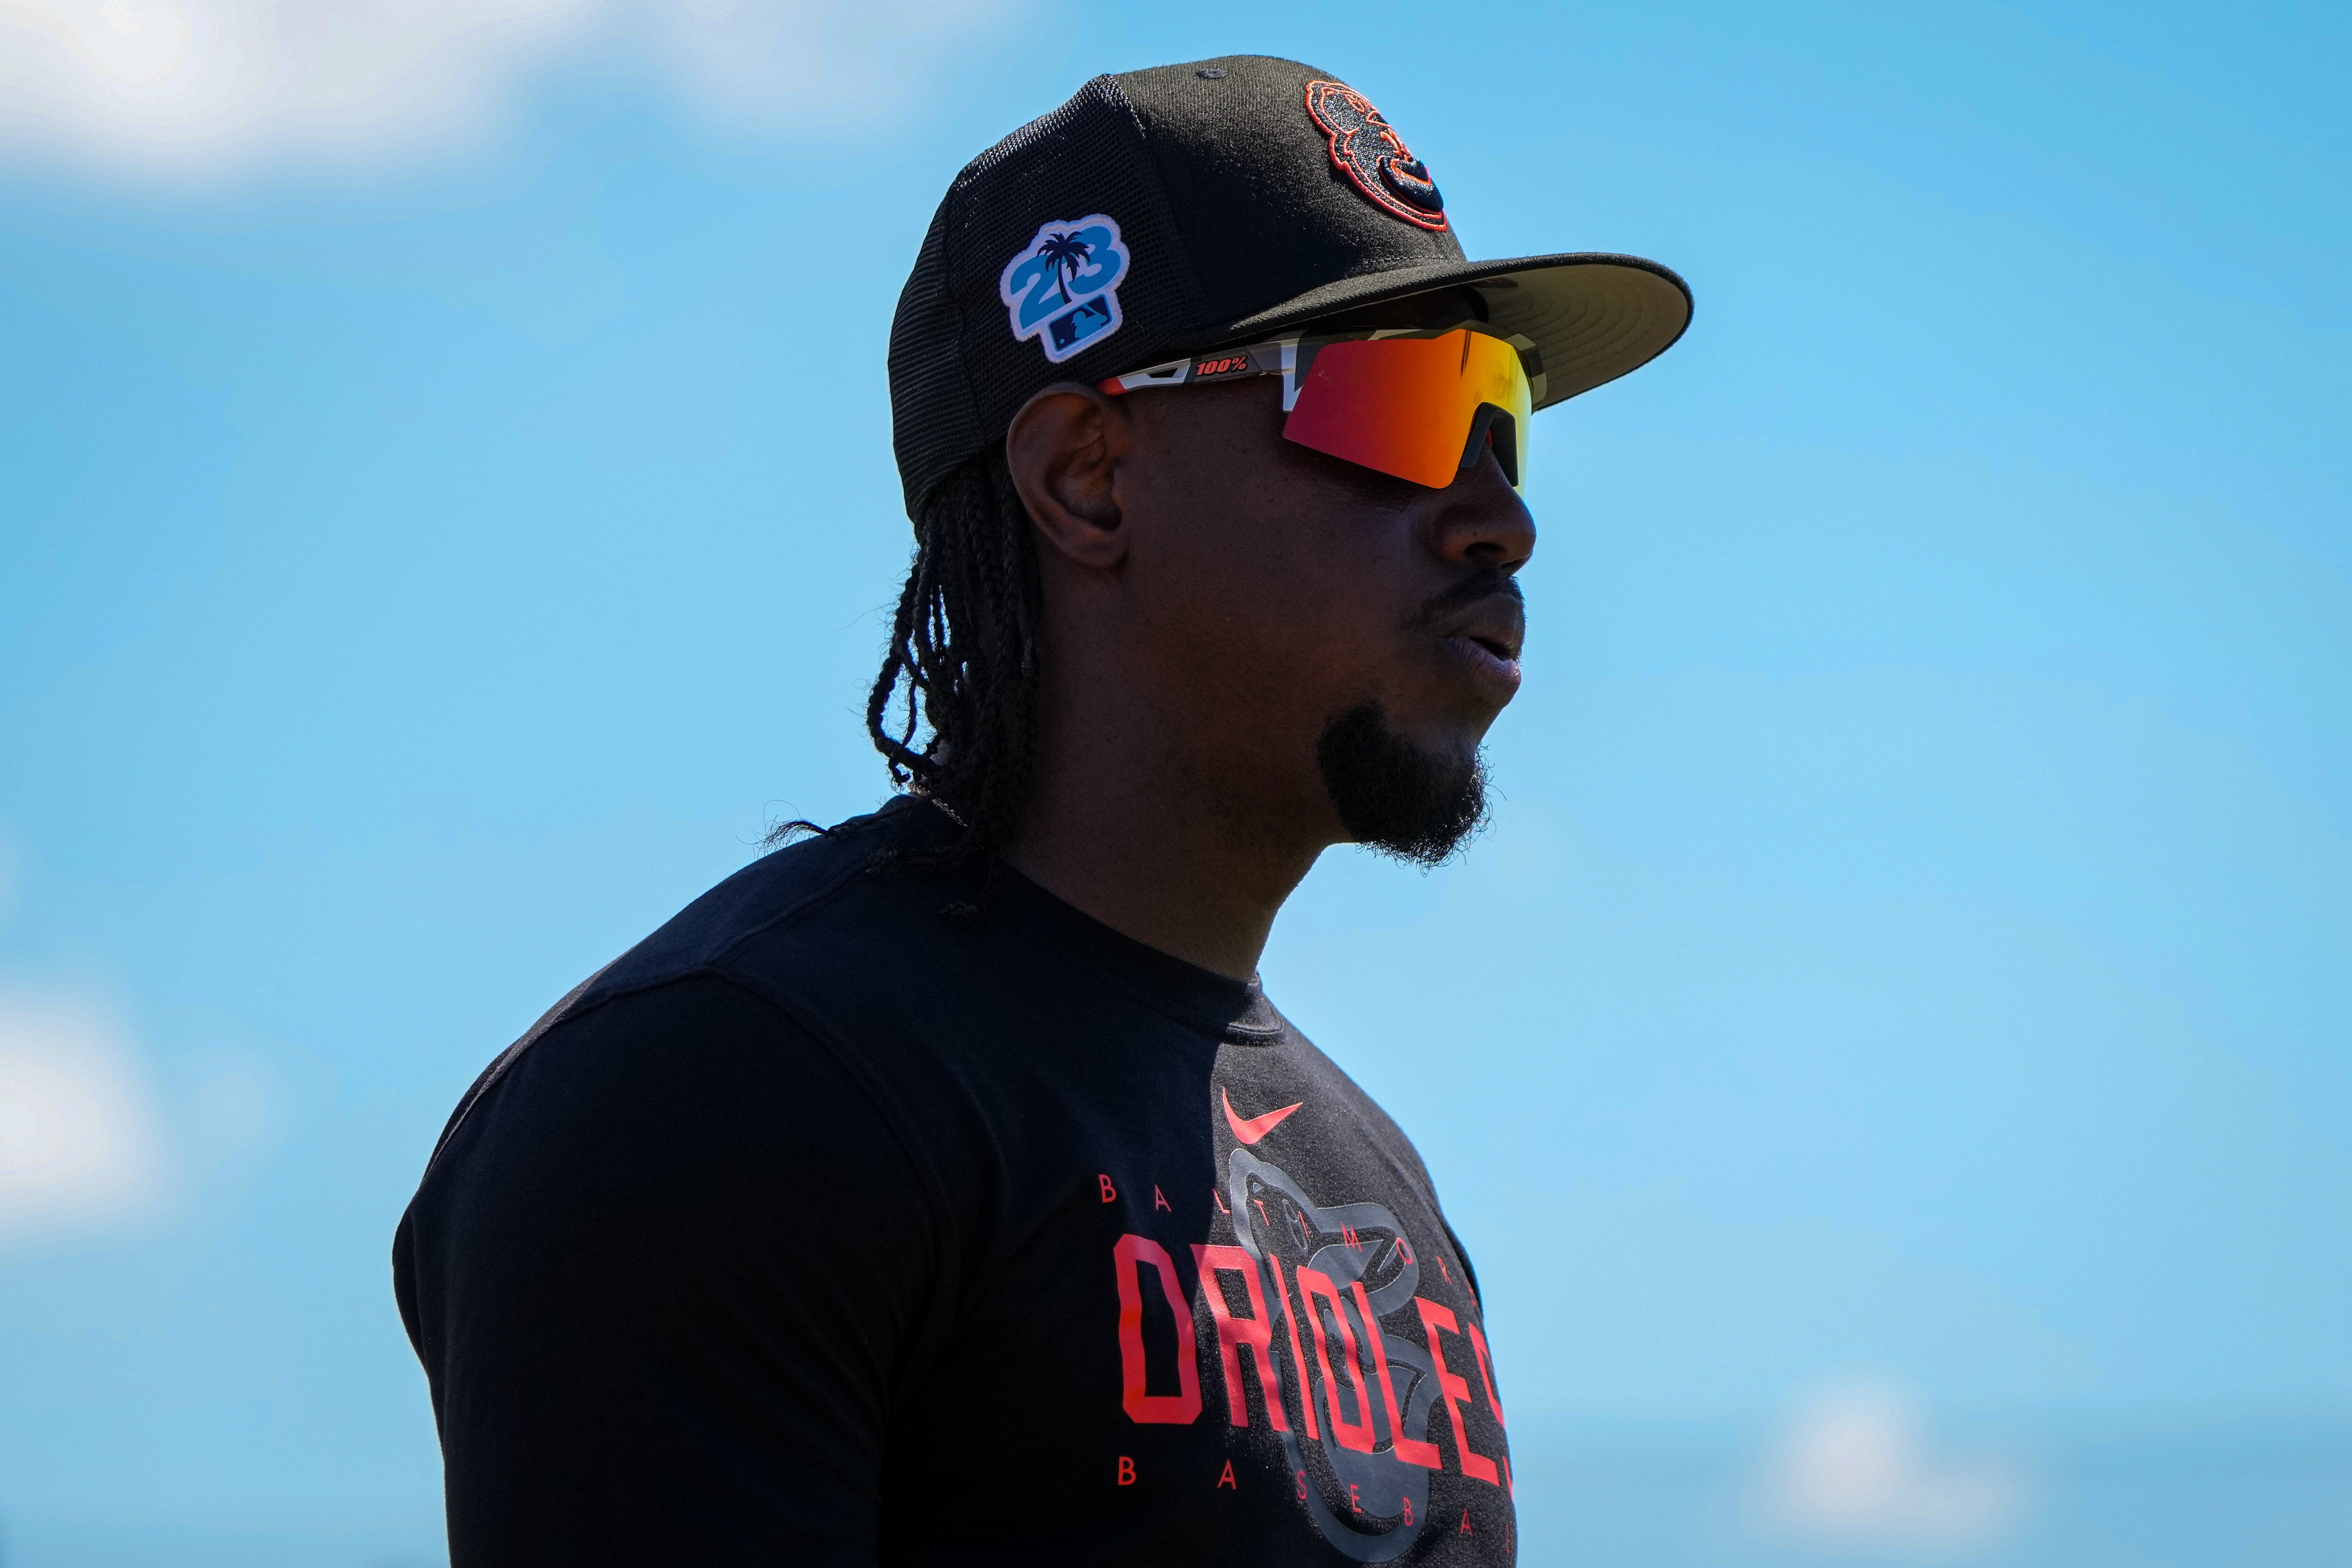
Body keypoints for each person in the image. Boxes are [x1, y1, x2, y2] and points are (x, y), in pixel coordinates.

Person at [394, 54, 1689, 1566]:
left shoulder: (1380, 1189)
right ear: (1087, 479)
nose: (1501, 515)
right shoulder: (720, 1099)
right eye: (1401, 401)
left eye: (1505, 412)